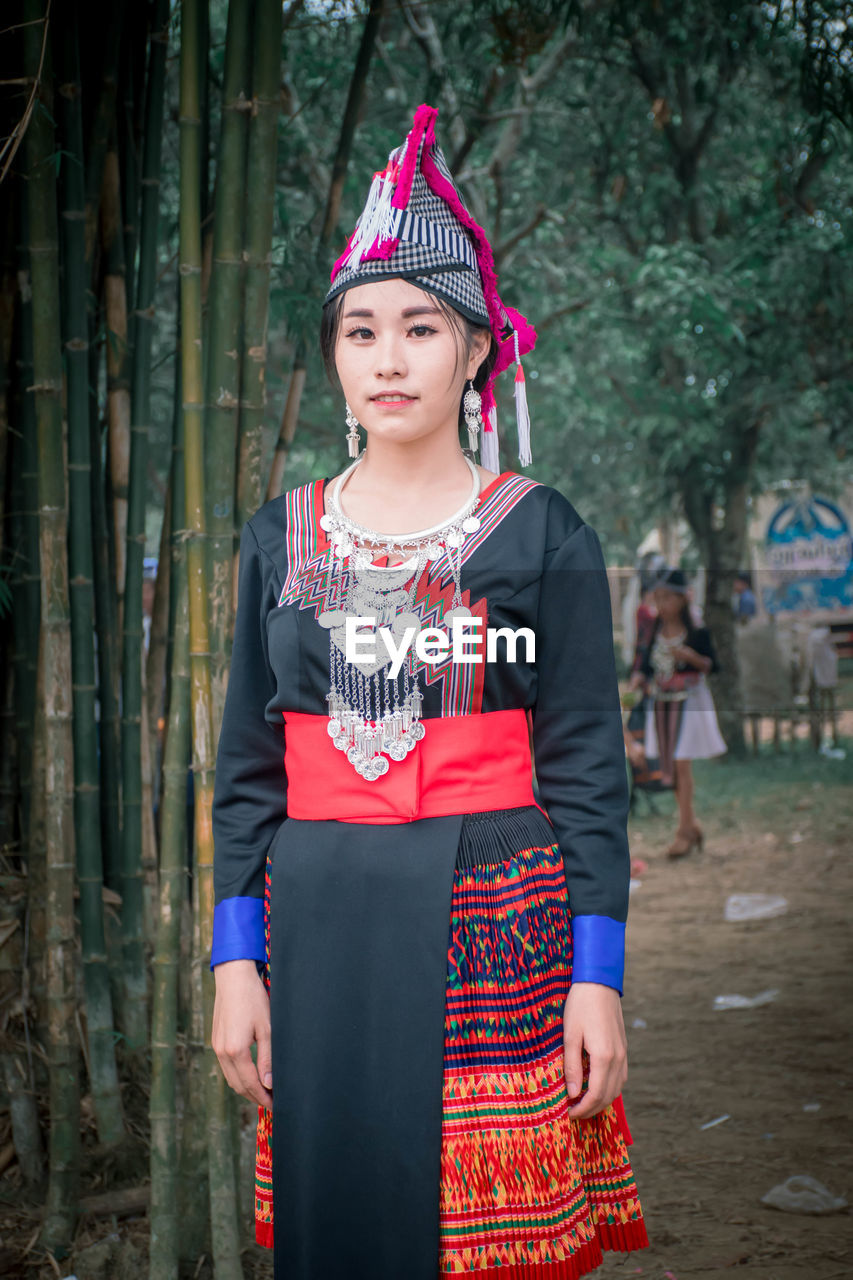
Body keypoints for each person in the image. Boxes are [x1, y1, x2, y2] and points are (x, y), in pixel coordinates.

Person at [209, 103, 648, 1279]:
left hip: (494, 920)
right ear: (335, 358)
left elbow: (589, 769)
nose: (388, 357)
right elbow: (247, 770)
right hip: (317, 924)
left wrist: (596, 977)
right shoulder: (276, 537)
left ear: (474, 352)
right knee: (336, 1227)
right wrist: (233, 959)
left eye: (419, 327)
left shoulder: (540, 533)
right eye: (359, 331)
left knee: (480, 1244)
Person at [631, 566, 726, 857]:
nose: (662, 605)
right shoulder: (653, 632)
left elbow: (713, 665)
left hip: (690, 703)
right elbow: (645, 665)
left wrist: (691, 657)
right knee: (670, 764)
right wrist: (639, 678)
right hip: (662, 704)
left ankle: (684, 831)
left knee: (682, 764)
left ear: (682, 599)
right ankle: (691, 824)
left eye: (668, 598)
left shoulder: (696, 632)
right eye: (657, 598)